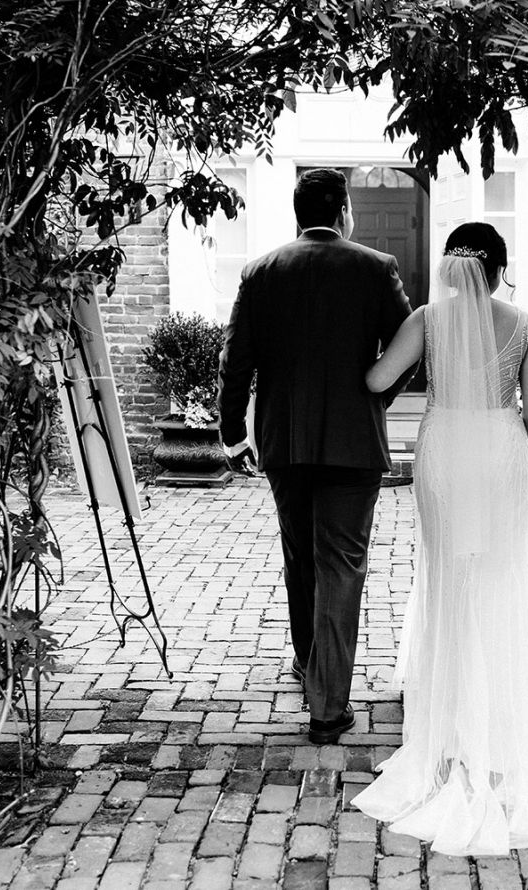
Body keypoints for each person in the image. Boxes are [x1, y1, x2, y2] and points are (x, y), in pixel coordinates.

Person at [353, 223, 528, 855]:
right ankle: (494, 711)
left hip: (445, 449)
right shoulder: (524, 325)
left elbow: (376, 381)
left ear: (452, 267)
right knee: (496, 574)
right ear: (500, 268)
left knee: (448, 574)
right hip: (499, 449)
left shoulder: (429, 319)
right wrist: (506, 428)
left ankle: (449, 716)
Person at [217, 168, 415, 745]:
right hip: (354, 445)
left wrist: (233, 436)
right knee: (341, 566)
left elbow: (235, 363)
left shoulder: (261, 272)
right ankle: (327, 706)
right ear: (344, 211)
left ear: (298, 214)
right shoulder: (376, 267)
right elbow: (410, 348)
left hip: (285, 444)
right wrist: (375, 398)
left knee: (300, 557)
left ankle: (310, 665)